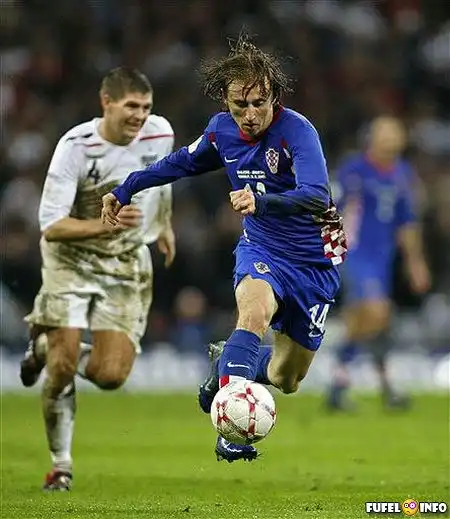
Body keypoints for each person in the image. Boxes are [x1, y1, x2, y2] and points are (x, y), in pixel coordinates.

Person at [102, 34, 347, 463]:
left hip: (314, 259)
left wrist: (262, 200)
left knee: (286, 378)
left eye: (259, 103)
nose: (250, 115)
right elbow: (180, 162)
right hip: (263, 247)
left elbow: (316, 195)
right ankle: (230, 431)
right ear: (225, 102)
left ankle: (227, 362)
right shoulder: (221, 132)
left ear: (274, 96)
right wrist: (127, 188)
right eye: (240, 106)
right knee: (253, 315)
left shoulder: (297, 131)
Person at [20, 67, 176, 490]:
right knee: (64, 363)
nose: (140, 115)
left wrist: (163, 224)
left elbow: (162, 179)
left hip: (125, 260)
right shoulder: (76, 146)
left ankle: (41, 345)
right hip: (71, 258)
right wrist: (104, 226)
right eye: (131, 106)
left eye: (145, 107)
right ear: (106, 102)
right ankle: (61, 465)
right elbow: (51, 225)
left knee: (111, 375)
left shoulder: (160, 133)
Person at [326, 116, 430, 411]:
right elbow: (331, 209)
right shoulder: (354, 170)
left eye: (395, 134)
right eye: (385, 134)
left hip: (383, 258)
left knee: (371, 320)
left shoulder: (403, 174)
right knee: (376, 311)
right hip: (356, 254)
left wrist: (415, 263)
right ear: (371, 138)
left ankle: (343, 384)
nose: (390, 140)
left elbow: (407, 223)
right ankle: (376, 384)